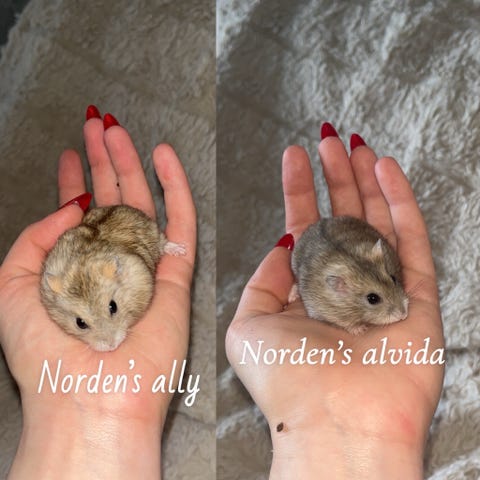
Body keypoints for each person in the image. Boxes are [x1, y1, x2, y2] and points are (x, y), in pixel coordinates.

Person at [226, 122, 445, 479]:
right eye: (373, 299)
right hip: (320, 254)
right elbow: (315, 309)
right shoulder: (323, 294)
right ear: (338, 288)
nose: (401, 308)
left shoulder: (377, 260)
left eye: (392, 282)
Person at [0, 105, 196, 479]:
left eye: (111, 309)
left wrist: (158, 244)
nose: (108, 340)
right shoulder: (55, 290)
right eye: (82, 324)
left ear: (115, 277)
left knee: (147, 236)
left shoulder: (121, 270)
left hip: (117, 243)